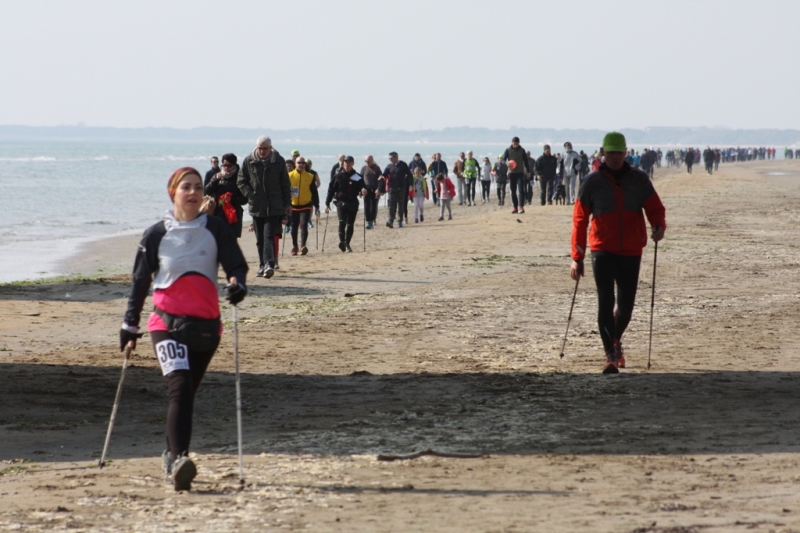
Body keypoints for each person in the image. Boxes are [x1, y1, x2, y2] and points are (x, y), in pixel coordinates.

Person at [120, 167, 248, 491]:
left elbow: (235, 265)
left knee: (186, 393)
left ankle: (170, 454)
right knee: (179, 388)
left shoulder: (216, 229)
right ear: (172, 192)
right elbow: (139, 282)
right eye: (186, 187)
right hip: (166, 324)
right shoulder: (155, 234)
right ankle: (180, 461)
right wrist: (129, 325)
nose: (193, 193)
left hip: (207, 327)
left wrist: (237, 285)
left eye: (198, 187)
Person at [570, 132, 666, 374]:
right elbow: (580, 220)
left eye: (618, 152)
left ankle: (615, 340)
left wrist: (659, 226)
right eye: (610, 152)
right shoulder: (592, 182)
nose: (614, 157)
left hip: (631, 249)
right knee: (606, 300)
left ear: (626, 153)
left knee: (626, 307)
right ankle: (610, 355)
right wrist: (577, 257)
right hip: (602, 248)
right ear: (602, 153)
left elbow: (655, 208)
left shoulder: (639, 179)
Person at [237, 136, 292, 279]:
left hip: (274, 206)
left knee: (268, 235)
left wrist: (287, 205)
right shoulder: (249, 161)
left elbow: (285, 184)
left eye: (265, 148)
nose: (262, 151)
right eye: (260, 148)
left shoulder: (278, 161)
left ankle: (269, 264)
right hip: (257, 206)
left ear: (270, 148)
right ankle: (262, 265)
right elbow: (241, 181)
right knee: (259, 239)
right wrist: (251, 195)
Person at [325, 155, 365, 252]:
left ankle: (347, 243)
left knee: (350, 224)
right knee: (342, 222)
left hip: (353, 203)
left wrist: (364, 190)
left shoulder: (357, 176)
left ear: (352, 164)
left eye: (349, 163)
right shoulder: (338, 176)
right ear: (343, 164)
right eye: (345, 162)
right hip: (341, 203)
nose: (347, 164)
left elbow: (363, 186)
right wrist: (327, 203)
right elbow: (331, 190)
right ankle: (342, 242)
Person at [204, 153, 247, 239]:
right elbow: (207, 191)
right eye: (224, 165)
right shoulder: (217, 176)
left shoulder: (240, 178)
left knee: (230, 245)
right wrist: (215, 180)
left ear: (234, 165)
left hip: (232, 217)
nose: (226, 168)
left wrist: (232, 199)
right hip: (217, 214)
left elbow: (245, 199)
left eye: (229, 166)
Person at [288, 157, 319, 255]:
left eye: (303, 163)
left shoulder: (310, 176)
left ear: (305, 164)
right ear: (295, 164)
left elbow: (314, 192)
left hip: (306, 205)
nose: (301, 164)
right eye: (299, 163)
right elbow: (284, 191)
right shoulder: (289, 176)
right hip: (293, 206)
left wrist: (317, 206)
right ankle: (295, 246)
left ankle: (302, 246)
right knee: (293, 227)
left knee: (304, 225)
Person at [383, 151, 412, 228]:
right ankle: (391, 220)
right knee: (392, 205)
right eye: (389, 158)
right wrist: (381, 177)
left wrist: (411, 184)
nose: (390, 160)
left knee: (401, 205)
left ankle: (400, 220)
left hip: (401, 188)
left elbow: (409, 174)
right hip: (392, 188)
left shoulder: (403, 165)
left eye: (391, 158)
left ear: (396, 158)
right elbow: (384, 174)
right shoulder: (389, 166)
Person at [502, 137, 529, 214]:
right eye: (514, 144)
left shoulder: (522, 150)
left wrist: (528, 172)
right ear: (512, 143)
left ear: (519, 143)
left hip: (520, 173)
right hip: (511, 173)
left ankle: (521, 207)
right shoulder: (508, 150)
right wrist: (506, 163)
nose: (515, 145)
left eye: (516, 144)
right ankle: (515, 207)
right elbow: (503, 159)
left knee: (521, 190)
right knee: (513, 191)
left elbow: (525, 161)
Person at [360, 155, 384, 229]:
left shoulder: (377, 168)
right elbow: (360, 179)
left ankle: (372, 219)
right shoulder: (364, 168)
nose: (367, 163)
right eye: (366, 161)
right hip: (366, 190)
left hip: (375, 190)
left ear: (372, 160)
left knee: (373, 207)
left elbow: (381, 179)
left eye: (368, 161)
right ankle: (368, 221)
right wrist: (361, 190)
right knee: (367, 206)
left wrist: (379, 189)